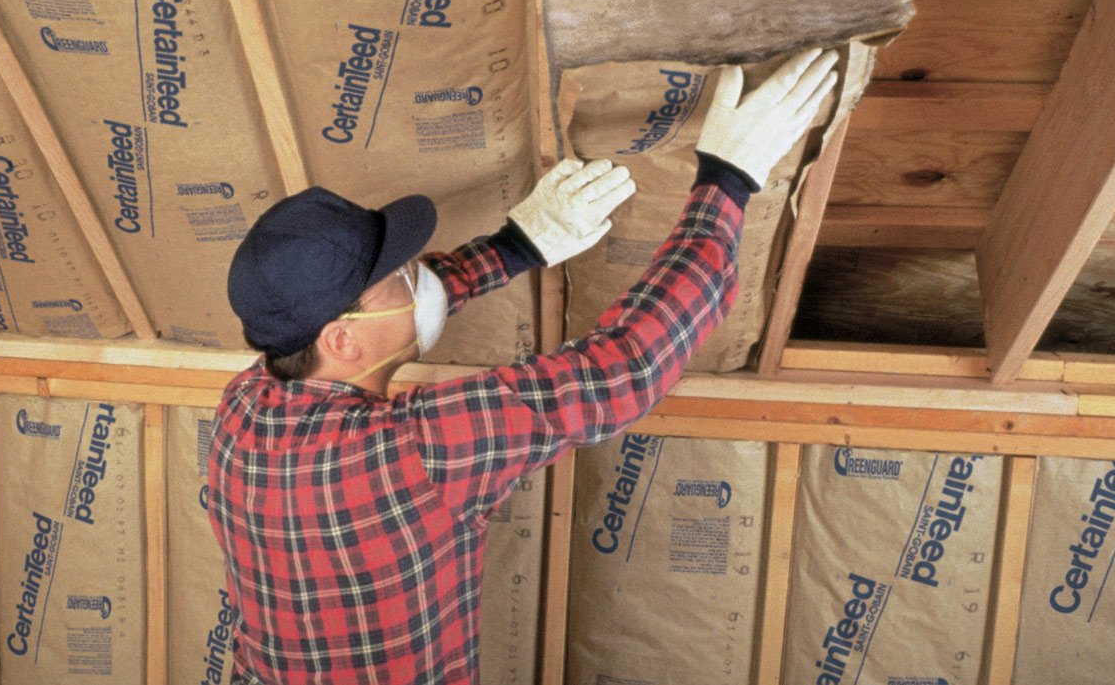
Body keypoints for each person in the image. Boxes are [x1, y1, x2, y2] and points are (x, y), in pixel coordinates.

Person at [208, 48, 839, 685]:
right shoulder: (415, 452)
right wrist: (728, 179)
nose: (418, 271)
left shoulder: (245, 403)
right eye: (398, 273)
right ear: (344, 340)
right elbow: (623, 367)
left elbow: (408, 308)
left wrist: (518, 246)